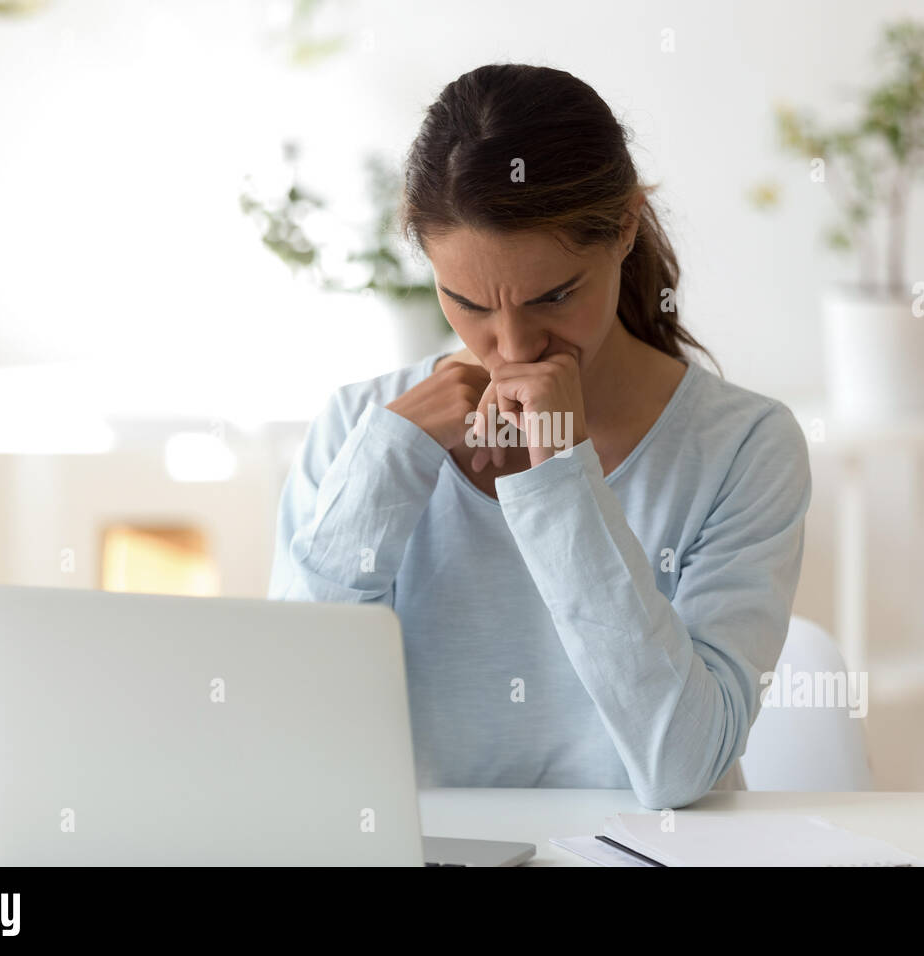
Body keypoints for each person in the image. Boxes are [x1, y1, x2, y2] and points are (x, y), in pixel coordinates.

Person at [269, 64, 811, 809]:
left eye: (554, 296)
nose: (514, 345)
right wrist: (384, 473)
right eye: (467, 302)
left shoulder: (745, 446)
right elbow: (284, 735)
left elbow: (681, 764)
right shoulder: (361, 429)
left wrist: (562, 478)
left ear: (624, 228)